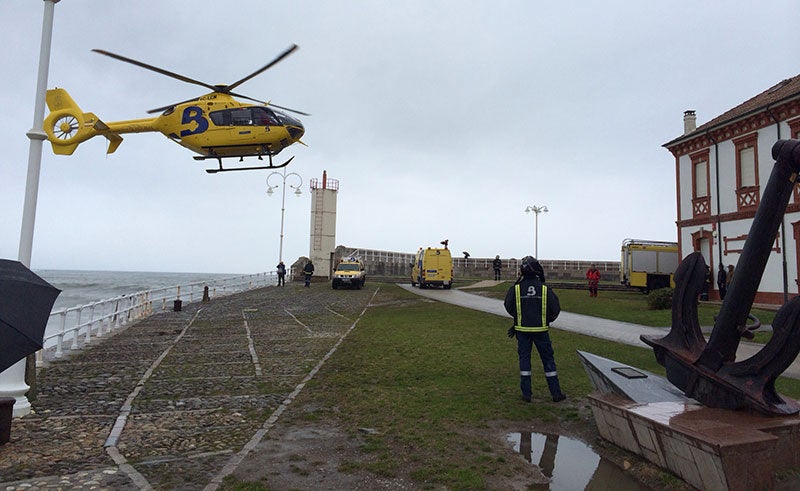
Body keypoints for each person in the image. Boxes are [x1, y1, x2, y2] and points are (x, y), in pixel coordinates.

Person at [504, 256, 566, 403]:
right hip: (541, 331)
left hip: (522, 331)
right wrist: (546, 320)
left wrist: (519, 318)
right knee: (548, 361)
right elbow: (555, 308)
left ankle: (526, 394)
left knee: (524, 362)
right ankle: (555, 393)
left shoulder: (516, 288)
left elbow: (508, 305)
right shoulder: (545, 289)